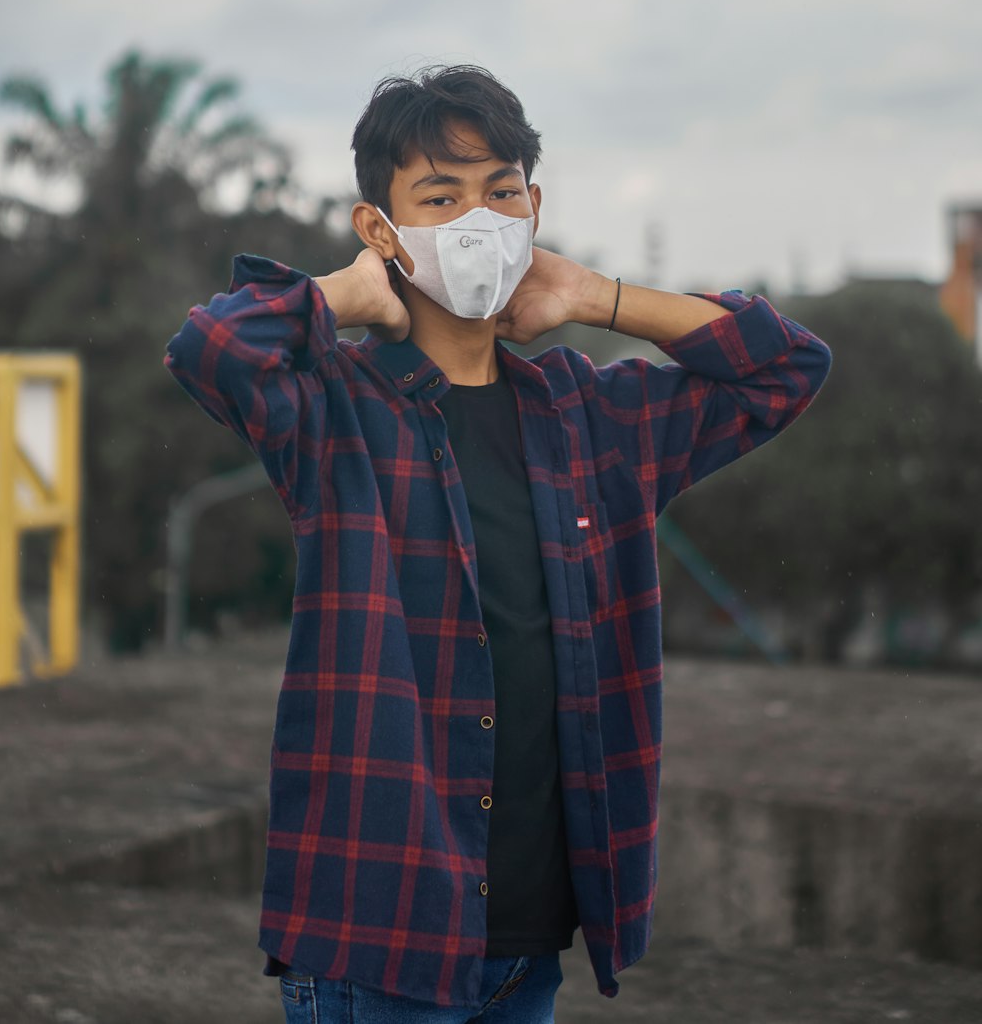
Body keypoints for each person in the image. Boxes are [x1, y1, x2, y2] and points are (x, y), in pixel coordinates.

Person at [164, 63, 832, 1024]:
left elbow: (785, 371)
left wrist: (594, 294)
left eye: (501, 192)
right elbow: (212, 350)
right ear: (380, 226)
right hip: (380, 939)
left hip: (531, 944)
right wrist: (354, 295)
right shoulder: (336, 409)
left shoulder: (589, 415)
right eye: (440, 196)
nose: (478, 219)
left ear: (534, 208)